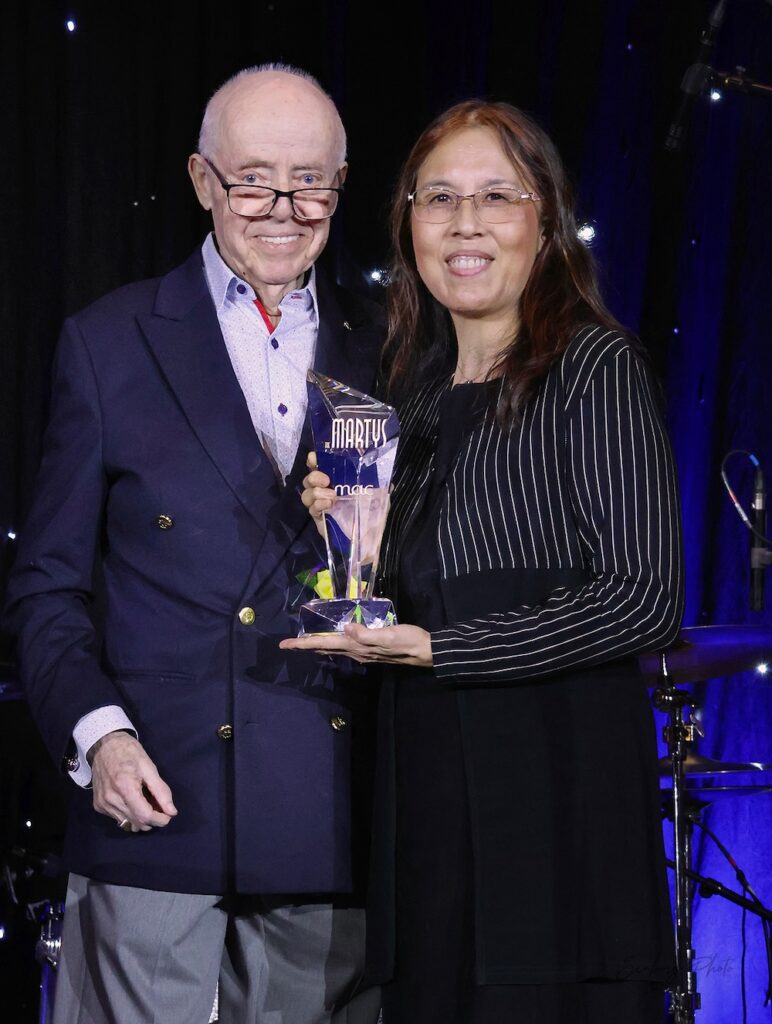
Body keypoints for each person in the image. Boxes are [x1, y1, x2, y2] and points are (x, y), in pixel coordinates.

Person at [282, 100, 684, 1024]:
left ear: (544, 222)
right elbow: (386, 611)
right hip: (429, 821)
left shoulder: (593, 365)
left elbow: (645, 600)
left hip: (553, 817)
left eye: (496, 196)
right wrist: (344, 536)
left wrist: (439, 651)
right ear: (408, 225)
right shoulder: (408, 400)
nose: (465, 225)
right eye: (440, 198)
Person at [4, 64, 385, 1024]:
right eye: (254, 178)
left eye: (312, 182)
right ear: (203, 180)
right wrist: (101, 738)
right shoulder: (108, 341)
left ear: (341, 189)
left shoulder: (389, 349)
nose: (284, 208)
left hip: (325, 813)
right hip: (155, 802)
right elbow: (47, 588)